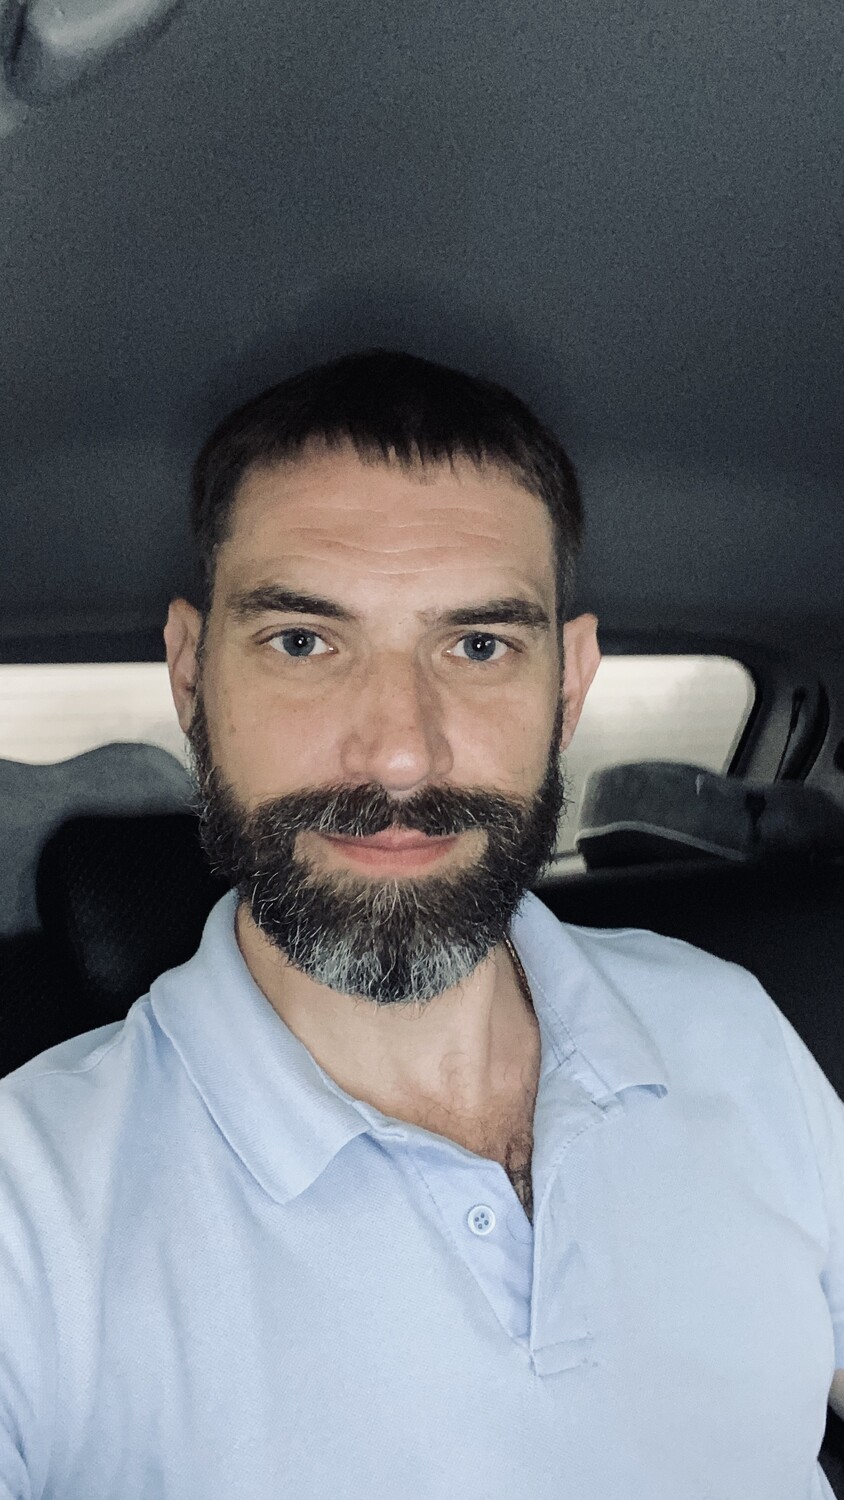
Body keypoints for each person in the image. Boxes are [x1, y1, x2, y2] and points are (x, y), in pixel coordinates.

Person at [1, 349, 843, 1500]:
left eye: (478, 646)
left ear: (570, 683)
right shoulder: (31, 1207)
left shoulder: (727, 1028)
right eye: (304, 642)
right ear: (192, 677)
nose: (400, 753)